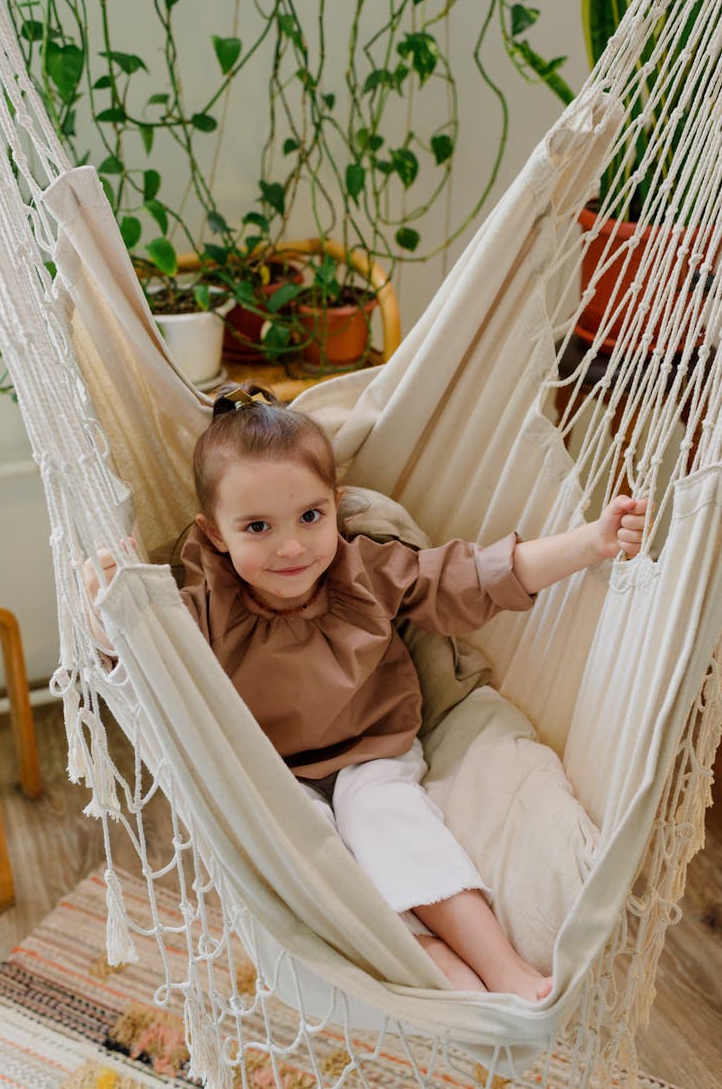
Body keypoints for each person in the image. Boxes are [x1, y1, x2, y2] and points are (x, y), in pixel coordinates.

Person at [85, 381, 648, 1000]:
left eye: (309, 516)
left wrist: (590, 542)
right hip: (272, 780)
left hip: (371, 754)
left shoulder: (366, 573)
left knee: (384, 821)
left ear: (337, 504)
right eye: (257, 527)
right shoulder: (204, 608)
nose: (292, 546)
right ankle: (456, 985)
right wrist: (111, 605)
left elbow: (476, 576)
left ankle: (504, 969)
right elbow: (137, 662)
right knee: (323, 875)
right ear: (215, 534)